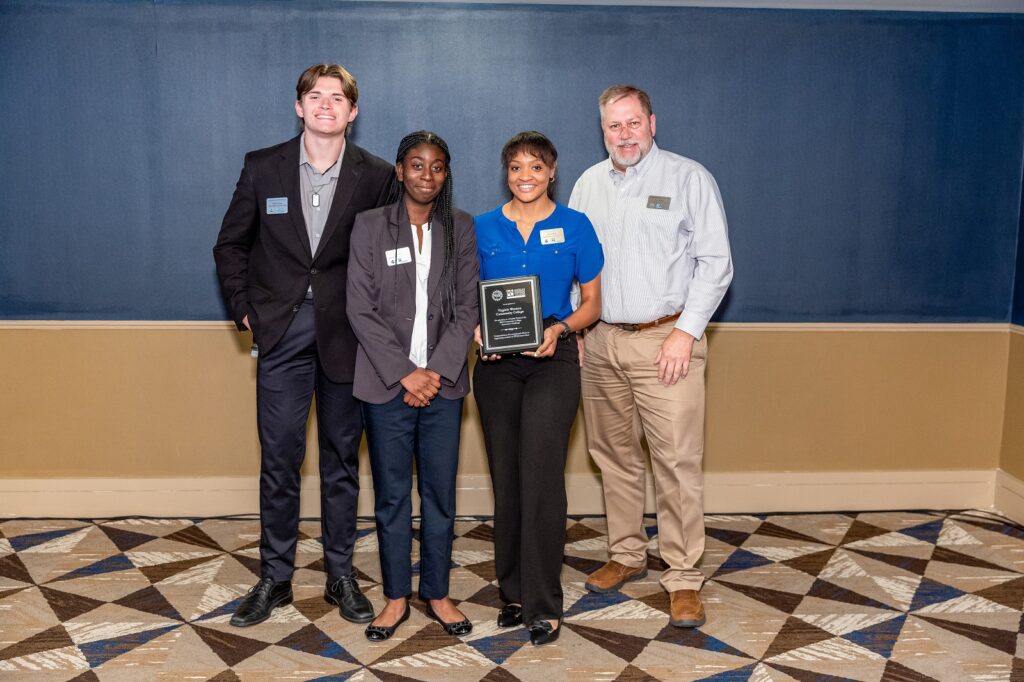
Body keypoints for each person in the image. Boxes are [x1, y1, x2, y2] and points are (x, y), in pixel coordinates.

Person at [213, 63, 394, 628]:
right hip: (281, 336)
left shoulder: (377, 175)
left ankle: (340, 574)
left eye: (337, 98)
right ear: (299, 106)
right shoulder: (262, 167)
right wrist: (246, 309)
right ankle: (275, 577)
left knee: (342, 460)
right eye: (315, 96)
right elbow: (229, 246)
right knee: (280, 460)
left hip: (349, 340)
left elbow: (392, 261)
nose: (325, 105)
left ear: (352, 112)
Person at [568, 85, 733, 628]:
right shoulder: (588, 184)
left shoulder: (689, 178)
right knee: (613, 455)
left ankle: (684, 576)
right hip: (601, 340)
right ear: (603, 131)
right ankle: (627, 553)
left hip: (666, 339)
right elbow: (575, 263)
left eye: (633, 123)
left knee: (678, 462)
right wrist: (576, 329)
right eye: (614, 126)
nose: (624, 134)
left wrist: (686, 332)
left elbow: (716, 263)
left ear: (652, 123)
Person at [347, 131, 480, 642]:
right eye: (417, 165)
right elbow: (359, 307)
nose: (428, 176)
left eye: (438, 167)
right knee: (392, 496)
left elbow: (467, 306)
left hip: (442, 386)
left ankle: (439, 593)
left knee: (440, 494)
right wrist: (406, 372)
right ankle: (396, 596)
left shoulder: (460, 228)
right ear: (400, 171)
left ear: (447, 175)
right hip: (387, 386)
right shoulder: (369, 226)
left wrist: (435, 372)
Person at [473, 131, 604, 646]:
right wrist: (474, 331)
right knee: (507, 476)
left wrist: (561, 329)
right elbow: (462, 297)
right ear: (505, 173)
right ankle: (513, 592)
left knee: (542, 474)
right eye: (515, 168)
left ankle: (544, 602)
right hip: (496, 361)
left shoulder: (576, 225)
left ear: (552, 172)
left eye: (535, 167)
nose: (524, 177)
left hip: (555, 354)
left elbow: (592, 302)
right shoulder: (481, 227)